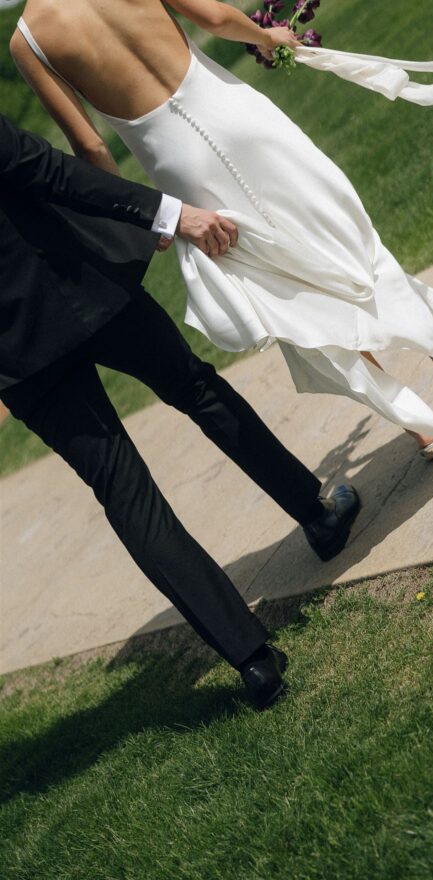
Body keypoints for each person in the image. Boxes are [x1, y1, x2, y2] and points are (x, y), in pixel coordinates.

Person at [0, 0, 433, 472]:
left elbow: (92, 151)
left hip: (181, 172)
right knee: (341, 234)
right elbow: (212, 16)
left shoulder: (28, 43)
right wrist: (270, 37)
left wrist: (145, 219)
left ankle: (419, 425)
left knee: (284, 292)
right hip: (241, 116)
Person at [0, 109, 361, 709]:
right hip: (81, 288)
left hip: (19, 353)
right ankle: (317, 516)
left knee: (122, 489)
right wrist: (167, 213)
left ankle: (252, 661)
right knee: (196, 389)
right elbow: (52, 174)